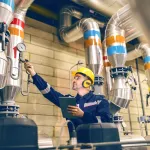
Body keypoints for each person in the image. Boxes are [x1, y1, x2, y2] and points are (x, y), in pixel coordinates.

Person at [24, 62, 111, 138]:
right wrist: (33, 74)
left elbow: (106, 122)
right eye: (74, 78)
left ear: (87, 82)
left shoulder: (100, 101)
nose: (73, 80)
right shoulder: (70, 102)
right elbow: (49, 92)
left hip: (96, 145)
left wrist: (83, 115)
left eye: (77, 78)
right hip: (76, 145)